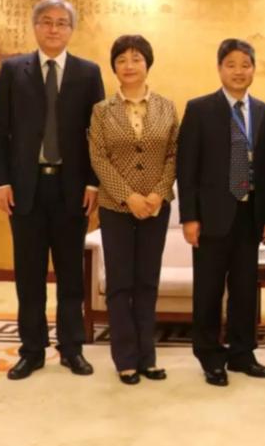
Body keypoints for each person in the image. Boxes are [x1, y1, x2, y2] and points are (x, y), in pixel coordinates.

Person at [0, 0, 104, 380]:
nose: (54, 29)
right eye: (47, 22)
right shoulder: (12, 71)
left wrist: (93, 182)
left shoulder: (88, 73)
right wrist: (0, 181)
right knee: (30, 275)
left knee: (72, 275)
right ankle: (32, 350)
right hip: (25, 189)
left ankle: (72, 349)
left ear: (71, 30)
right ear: (36, 27)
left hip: (72, 190)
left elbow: (97, 135)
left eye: (62, 23)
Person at [177, 39, 265, 387]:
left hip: (250, 218)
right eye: (231, 64)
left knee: (246, 291)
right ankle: (210, 357)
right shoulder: (200, 109)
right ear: (220, 69)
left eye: (245, 65)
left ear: (253, 69)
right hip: (211, 218)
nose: (239, 71)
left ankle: (242, 354)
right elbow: (186, 168)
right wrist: (189, 217)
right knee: (208, 291)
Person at [88, 35, 177, 385]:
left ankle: (148, 357)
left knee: (146, 283)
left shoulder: (167, 107)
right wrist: (129, 196)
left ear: (147, 64)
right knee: (120, 284)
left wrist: (156, 193)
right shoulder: (101, 110)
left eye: (136, 58)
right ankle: (125, 359)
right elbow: (98, 157)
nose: (129, 65)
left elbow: (173, 154)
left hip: (157, 207)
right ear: (114, 67)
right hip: (115, 207)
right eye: (122, 59)